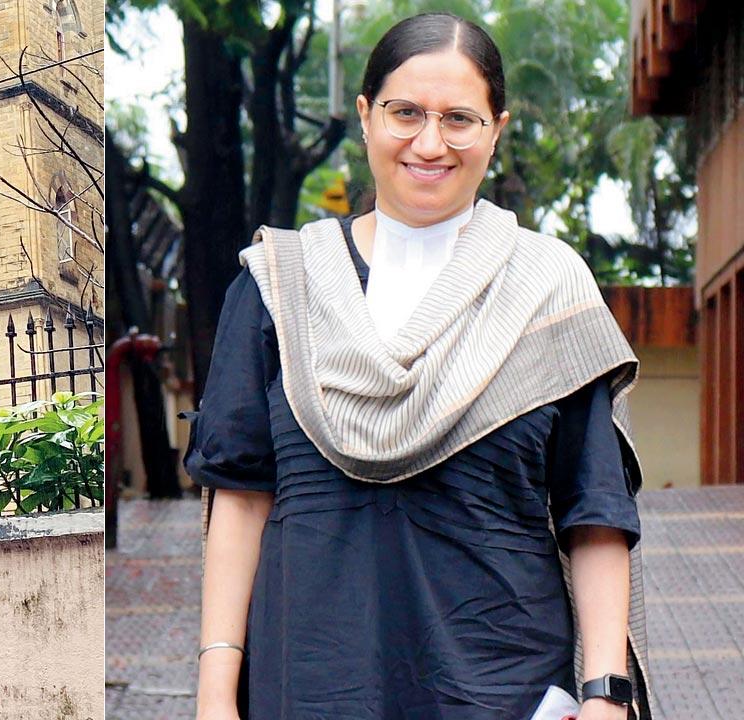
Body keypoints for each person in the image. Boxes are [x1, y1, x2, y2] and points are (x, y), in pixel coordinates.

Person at [186, 13, 652, 720]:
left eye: (459, 118)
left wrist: (606, 696)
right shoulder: (280, 287)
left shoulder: (548, 292)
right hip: (312, 685)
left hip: (504, 691)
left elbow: (594, 513)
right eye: (405, 113)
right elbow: (240, 496)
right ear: (367, 116)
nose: (429, 143)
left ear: (497, 128)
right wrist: (215, 690)